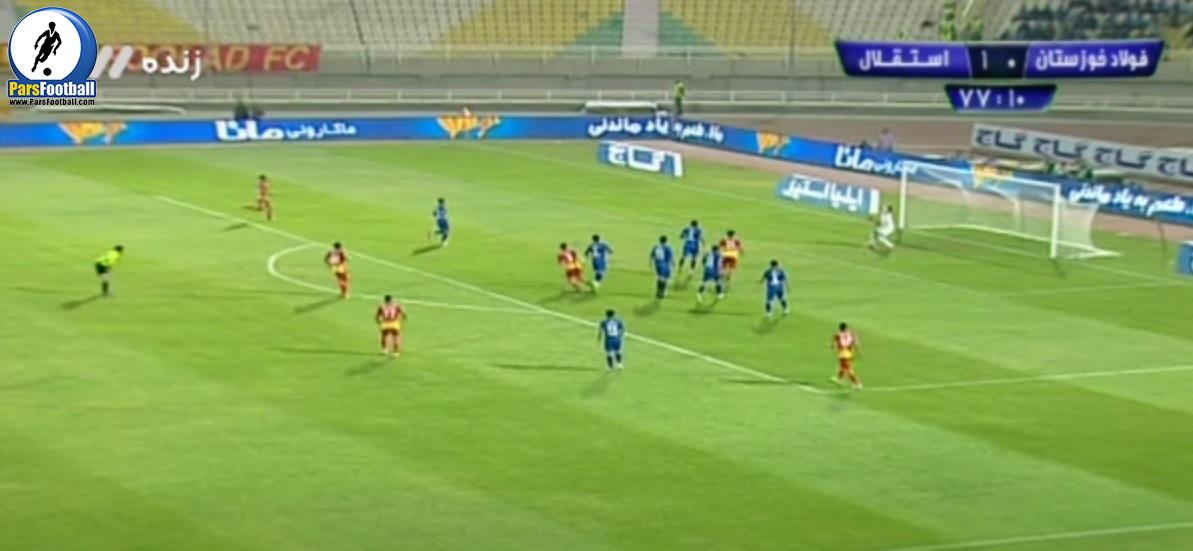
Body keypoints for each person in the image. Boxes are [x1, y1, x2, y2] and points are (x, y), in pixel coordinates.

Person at [832, 322, 862, 390]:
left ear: (840, 328)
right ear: (846, 327)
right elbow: (856, 342)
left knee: (848, 370)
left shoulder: (837, 334)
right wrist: (857, 349)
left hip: (843, 354)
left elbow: (834, 344)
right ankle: (839, 379)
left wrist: (834, 347)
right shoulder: (851, 333)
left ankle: (857, 383)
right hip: (849, 353)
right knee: (843, 368)